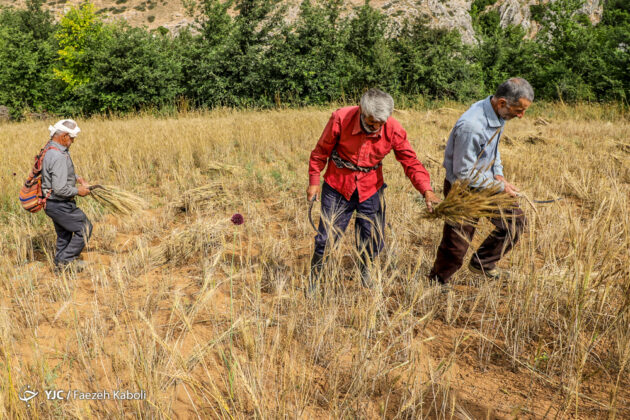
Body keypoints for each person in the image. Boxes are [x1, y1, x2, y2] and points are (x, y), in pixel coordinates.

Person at [307, 88, 440, 290]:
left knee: (371, 236)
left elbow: (410, 161)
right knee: (326, 238)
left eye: (381, 123)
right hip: (338, 184)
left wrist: (426, 190)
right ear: (361, 110)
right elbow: (320, 152)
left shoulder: (394, 128)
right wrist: (314, 181)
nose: (376, 127)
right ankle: (315, 279)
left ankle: (365, 271)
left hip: (371, 187)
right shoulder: (340, 118)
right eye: (371, 122)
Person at [429, 78, 533, 285]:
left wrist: (498, 174)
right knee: (457, 242)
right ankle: (438, 280)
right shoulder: (472, 126)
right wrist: (500, 186)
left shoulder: (497, 113)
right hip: (463, 189)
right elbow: (463, 173)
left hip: (486, 182)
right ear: (502, 103)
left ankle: (482, 263)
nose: (521, 116)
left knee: (514, 222)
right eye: (518, 110)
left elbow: (492, 151)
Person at [42, 119, 92, 272]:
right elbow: (60, 189)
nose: (73, 142)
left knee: (64, 235)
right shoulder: (58, 157)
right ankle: (64, 262)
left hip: (51, 204)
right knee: (85, 228)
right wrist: (79, 191)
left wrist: (76, 178)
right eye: (72, 139)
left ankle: (60, 267)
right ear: (64, 136)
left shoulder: (51, 148)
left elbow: (56, 173)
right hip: (59, 204)